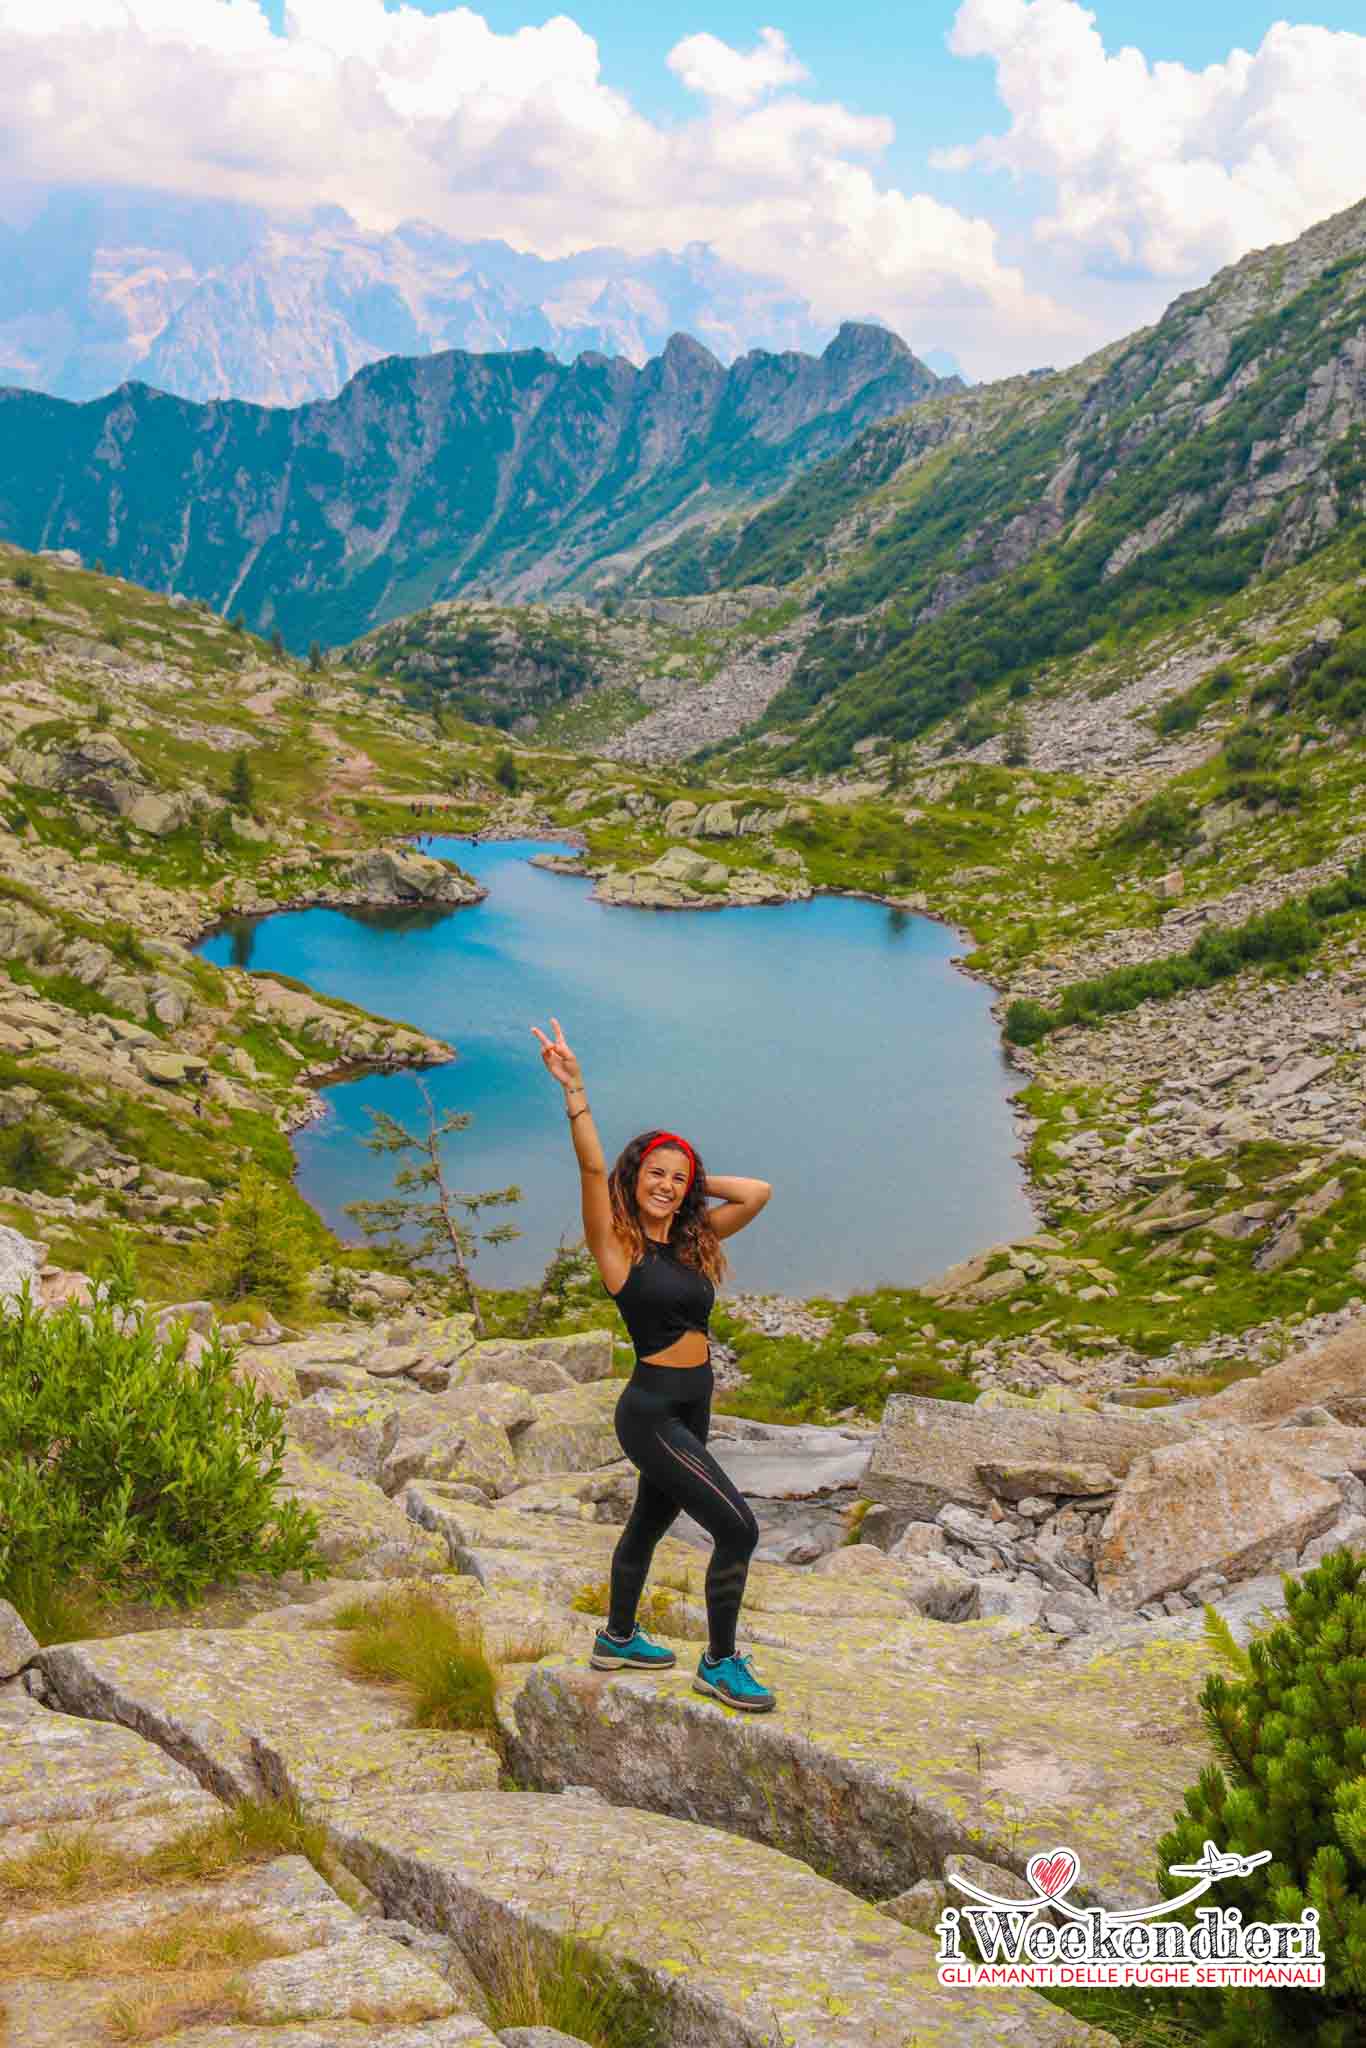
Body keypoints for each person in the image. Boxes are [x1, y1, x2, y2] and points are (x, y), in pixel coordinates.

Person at [530, 1014, 776, 1712]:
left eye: (678, 1177)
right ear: (633, 1177)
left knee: (647, 1523)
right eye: (655, 1174)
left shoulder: (695, 1237)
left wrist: (690, 1185)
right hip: (651, 1411)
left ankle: (616, 1638)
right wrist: (575, 1091)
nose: (666, 1185)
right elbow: (591, 1168)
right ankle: (720, 1663)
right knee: (738, 1528)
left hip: (695, 1402)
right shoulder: (617, 1247)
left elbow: (757, 1192)